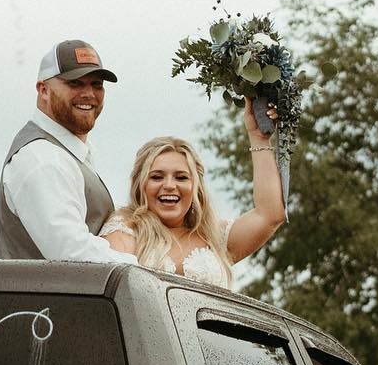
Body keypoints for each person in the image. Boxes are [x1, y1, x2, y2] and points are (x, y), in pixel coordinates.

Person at [99, 100, 285, 287]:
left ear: (196, 187)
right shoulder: (125, 229)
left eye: (181, 178)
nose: (169, 185)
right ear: (140, 185)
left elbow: (270, 214)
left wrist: (258, 137)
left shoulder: (214, 237)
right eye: (156, 177)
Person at [0, 39, 131, 263]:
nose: (89, 93)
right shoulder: (43, 159)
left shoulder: (65, 153)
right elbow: (72, 254)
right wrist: (147, 267)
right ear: (43, 90)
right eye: (75, 83)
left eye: (97, 84)